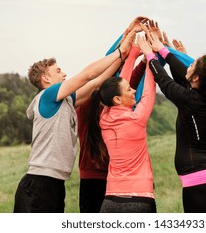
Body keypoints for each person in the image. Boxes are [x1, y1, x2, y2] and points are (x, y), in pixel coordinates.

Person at [13, 30, 135, 213]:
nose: (64, 73)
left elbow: (98, 81)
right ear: (45, 79)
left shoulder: (66, 101)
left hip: (54, 184)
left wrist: (123, 54)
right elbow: (88, 75)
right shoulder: (48, 95)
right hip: (39, 185)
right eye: (58, 70)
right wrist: (119, 52)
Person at [141, 28, 206, 213]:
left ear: (197, 77)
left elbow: (164, 81)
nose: (188, 66)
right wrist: (163, 49)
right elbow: (181, 74)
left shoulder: (192, 100)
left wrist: (149, 54)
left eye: (192, 65)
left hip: (202, 184)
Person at [76, 17, 149, 213]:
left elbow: (119, 76)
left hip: (97, 179)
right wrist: (142, 55)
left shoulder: (89, 108)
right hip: (111, 181)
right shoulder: (107, 112)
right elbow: (118, 75)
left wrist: (127, 38)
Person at [85, 42, 157, 213]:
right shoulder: (136, 118)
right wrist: (150, 58)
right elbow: (149, 91)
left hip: (110, 200)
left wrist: (132, 56)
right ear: (117, 99)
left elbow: (119, 85)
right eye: (130, 90)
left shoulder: (105, 118)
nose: (133, 91)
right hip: (140, 199)